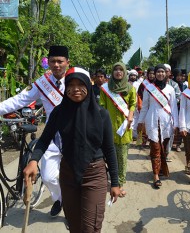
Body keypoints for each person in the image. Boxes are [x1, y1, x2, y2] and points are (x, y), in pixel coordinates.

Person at [23, 67, 120, 233]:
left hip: (94, 174)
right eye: (71, 85)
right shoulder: (58, 113)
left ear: (88, 87)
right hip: (68, 173)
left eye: (80, 84)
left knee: (90, 228)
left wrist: (116, 183)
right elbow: (44, 139)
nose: (75, 89)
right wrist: (33, 161)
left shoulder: (101, 114)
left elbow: (109, 149)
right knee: (74, 226)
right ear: (65, 88)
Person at [0, 45, 70, 217]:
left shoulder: (76, 79)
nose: (56, 65)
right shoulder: (43, 83)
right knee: (48, 177)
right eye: (53, 61)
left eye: (60, 61)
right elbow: (20, 100)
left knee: (75, 178)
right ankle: (60, 199)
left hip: (74, 136)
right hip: (52, 137)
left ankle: (71, 209)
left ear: (67, 62)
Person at [137, 64, 179, 189]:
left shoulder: (170, 89)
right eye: (158, 72)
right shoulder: (148, 88)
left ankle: (160, 169)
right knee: (155, 148)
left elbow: (174, 108)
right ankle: (156, 175)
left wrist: (175, 124)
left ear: (166, 74)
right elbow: (144, 107)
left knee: (164, 149)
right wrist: (140, 122)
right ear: (154, 74)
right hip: (152, 120)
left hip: (166, 122)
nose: (160, 74)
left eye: (162, 72)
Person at [99, 62, 136, 197]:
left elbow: (133, 103)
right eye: (116, 69)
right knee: (108, 157)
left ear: (125, 72)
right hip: (109, 128)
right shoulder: (105, 89)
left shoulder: (130, 88)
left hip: (124, 127)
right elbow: (101, 106)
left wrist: (130, 116)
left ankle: (119, 184)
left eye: (121, 69)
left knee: (122, 158)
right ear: (112, 72)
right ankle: (109, 181)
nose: (118, 72)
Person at [137, 66, 155, 146]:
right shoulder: (144, 84)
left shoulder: (157, 84)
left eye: (153, 73)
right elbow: (139, 95)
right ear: (147, 74)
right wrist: (141, 105)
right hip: (144, 106)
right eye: (150, 73)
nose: (151, 75)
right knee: (142, 123)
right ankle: (142, 140)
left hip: (153, 106)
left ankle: (152, 140)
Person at [171, 68, 188, 152]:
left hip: (182, 108)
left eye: (180, 76)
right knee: (174, 125)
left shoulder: (184, 85)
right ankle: (172, 143)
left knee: (181, 125)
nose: (179, 78)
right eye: (177, 76)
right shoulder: (171, 84)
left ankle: (178, 144)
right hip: (174, 107)